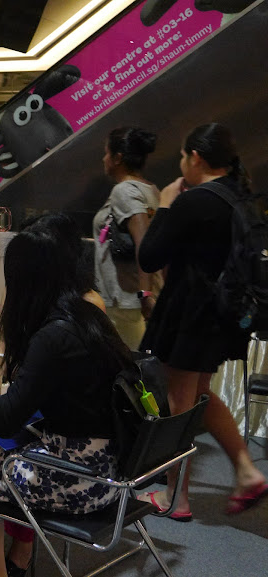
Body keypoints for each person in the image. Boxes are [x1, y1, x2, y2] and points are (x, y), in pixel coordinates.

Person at [0, 220, 131, 577]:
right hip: (115, 469)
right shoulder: (86, 316)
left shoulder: (54, 336)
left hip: (85, 481)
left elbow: (3, 417)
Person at [138, 123, 268, 517]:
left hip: (189, 314)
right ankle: (246, 471)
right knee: (199, 396)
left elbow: (150, 257)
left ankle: (176, 496)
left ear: (195, 158)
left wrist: (164, 205)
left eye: (183, 156)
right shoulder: (240, 196)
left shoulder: (193, 201)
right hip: (223, 315)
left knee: (180, 404)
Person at [93, 127, 161, 350]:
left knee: (129, 363)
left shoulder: (124, 191)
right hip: (137, 297)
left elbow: (144, 242)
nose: (103, 159)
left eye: (106, 153)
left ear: (118, 158)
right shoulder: (151, 189)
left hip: (126, 299)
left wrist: (145, 294)